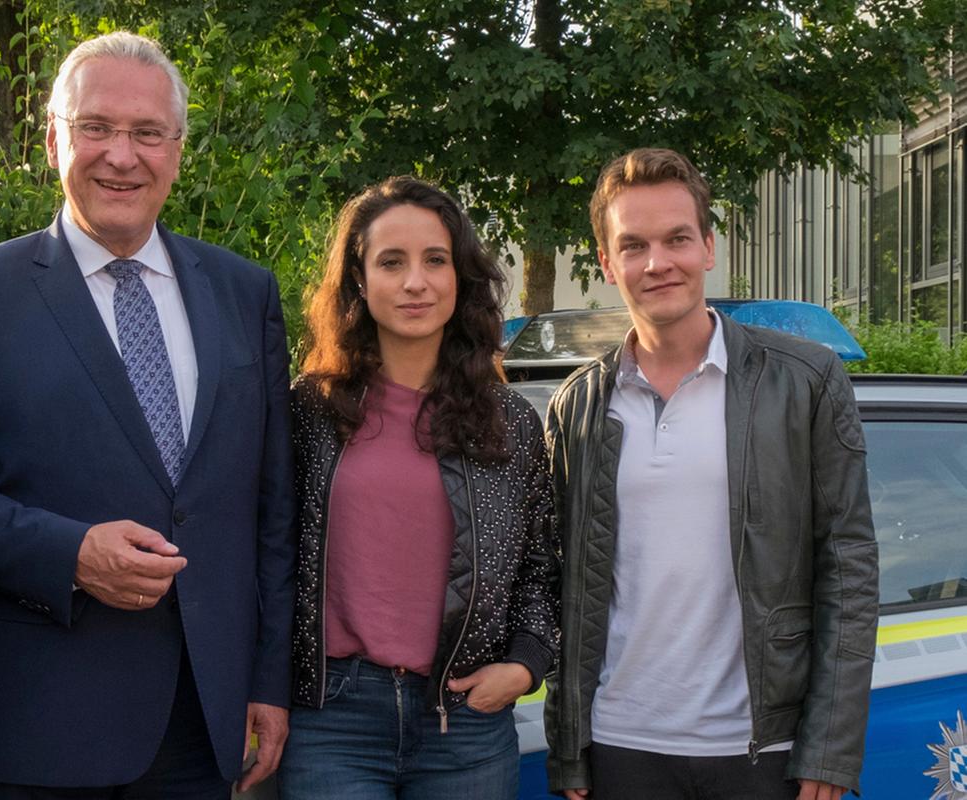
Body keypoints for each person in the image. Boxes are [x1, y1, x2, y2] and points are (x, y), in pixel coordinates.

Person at [0, 31, 293, 799]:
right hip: (37, 723)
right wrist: (69, 552)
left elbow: (272, 506)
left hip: (203, 719)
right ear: (54, 141)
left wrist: (268, 678)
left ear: (177, 151)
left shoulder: (245, 293)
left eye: (148, 132)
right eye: (96, 128)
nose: (122, 155)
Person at [542, 148, 878, 800]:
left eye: (677, 239)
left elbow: (849, 566)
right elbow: (561, 585)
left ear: (709, 247)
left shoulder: (805, 380)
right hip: (621, 746)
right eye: (633, 245)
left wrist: (829, 748)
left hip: (763, 750)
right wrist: (569, 749)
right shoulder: (577, 405)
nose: (657, 263)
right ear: (607, 263)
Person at [278, 176, 558, 799]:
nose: (415, 282)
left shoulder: (509, 423)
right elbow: (268, 557)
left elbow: (541, 568)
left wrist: (525, 664)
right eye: (391, 262)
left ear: (461, 277)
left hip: (466, 722)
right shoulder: (310, 412)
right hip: (333, 718)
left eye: (435, 260)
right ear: (358, 280)